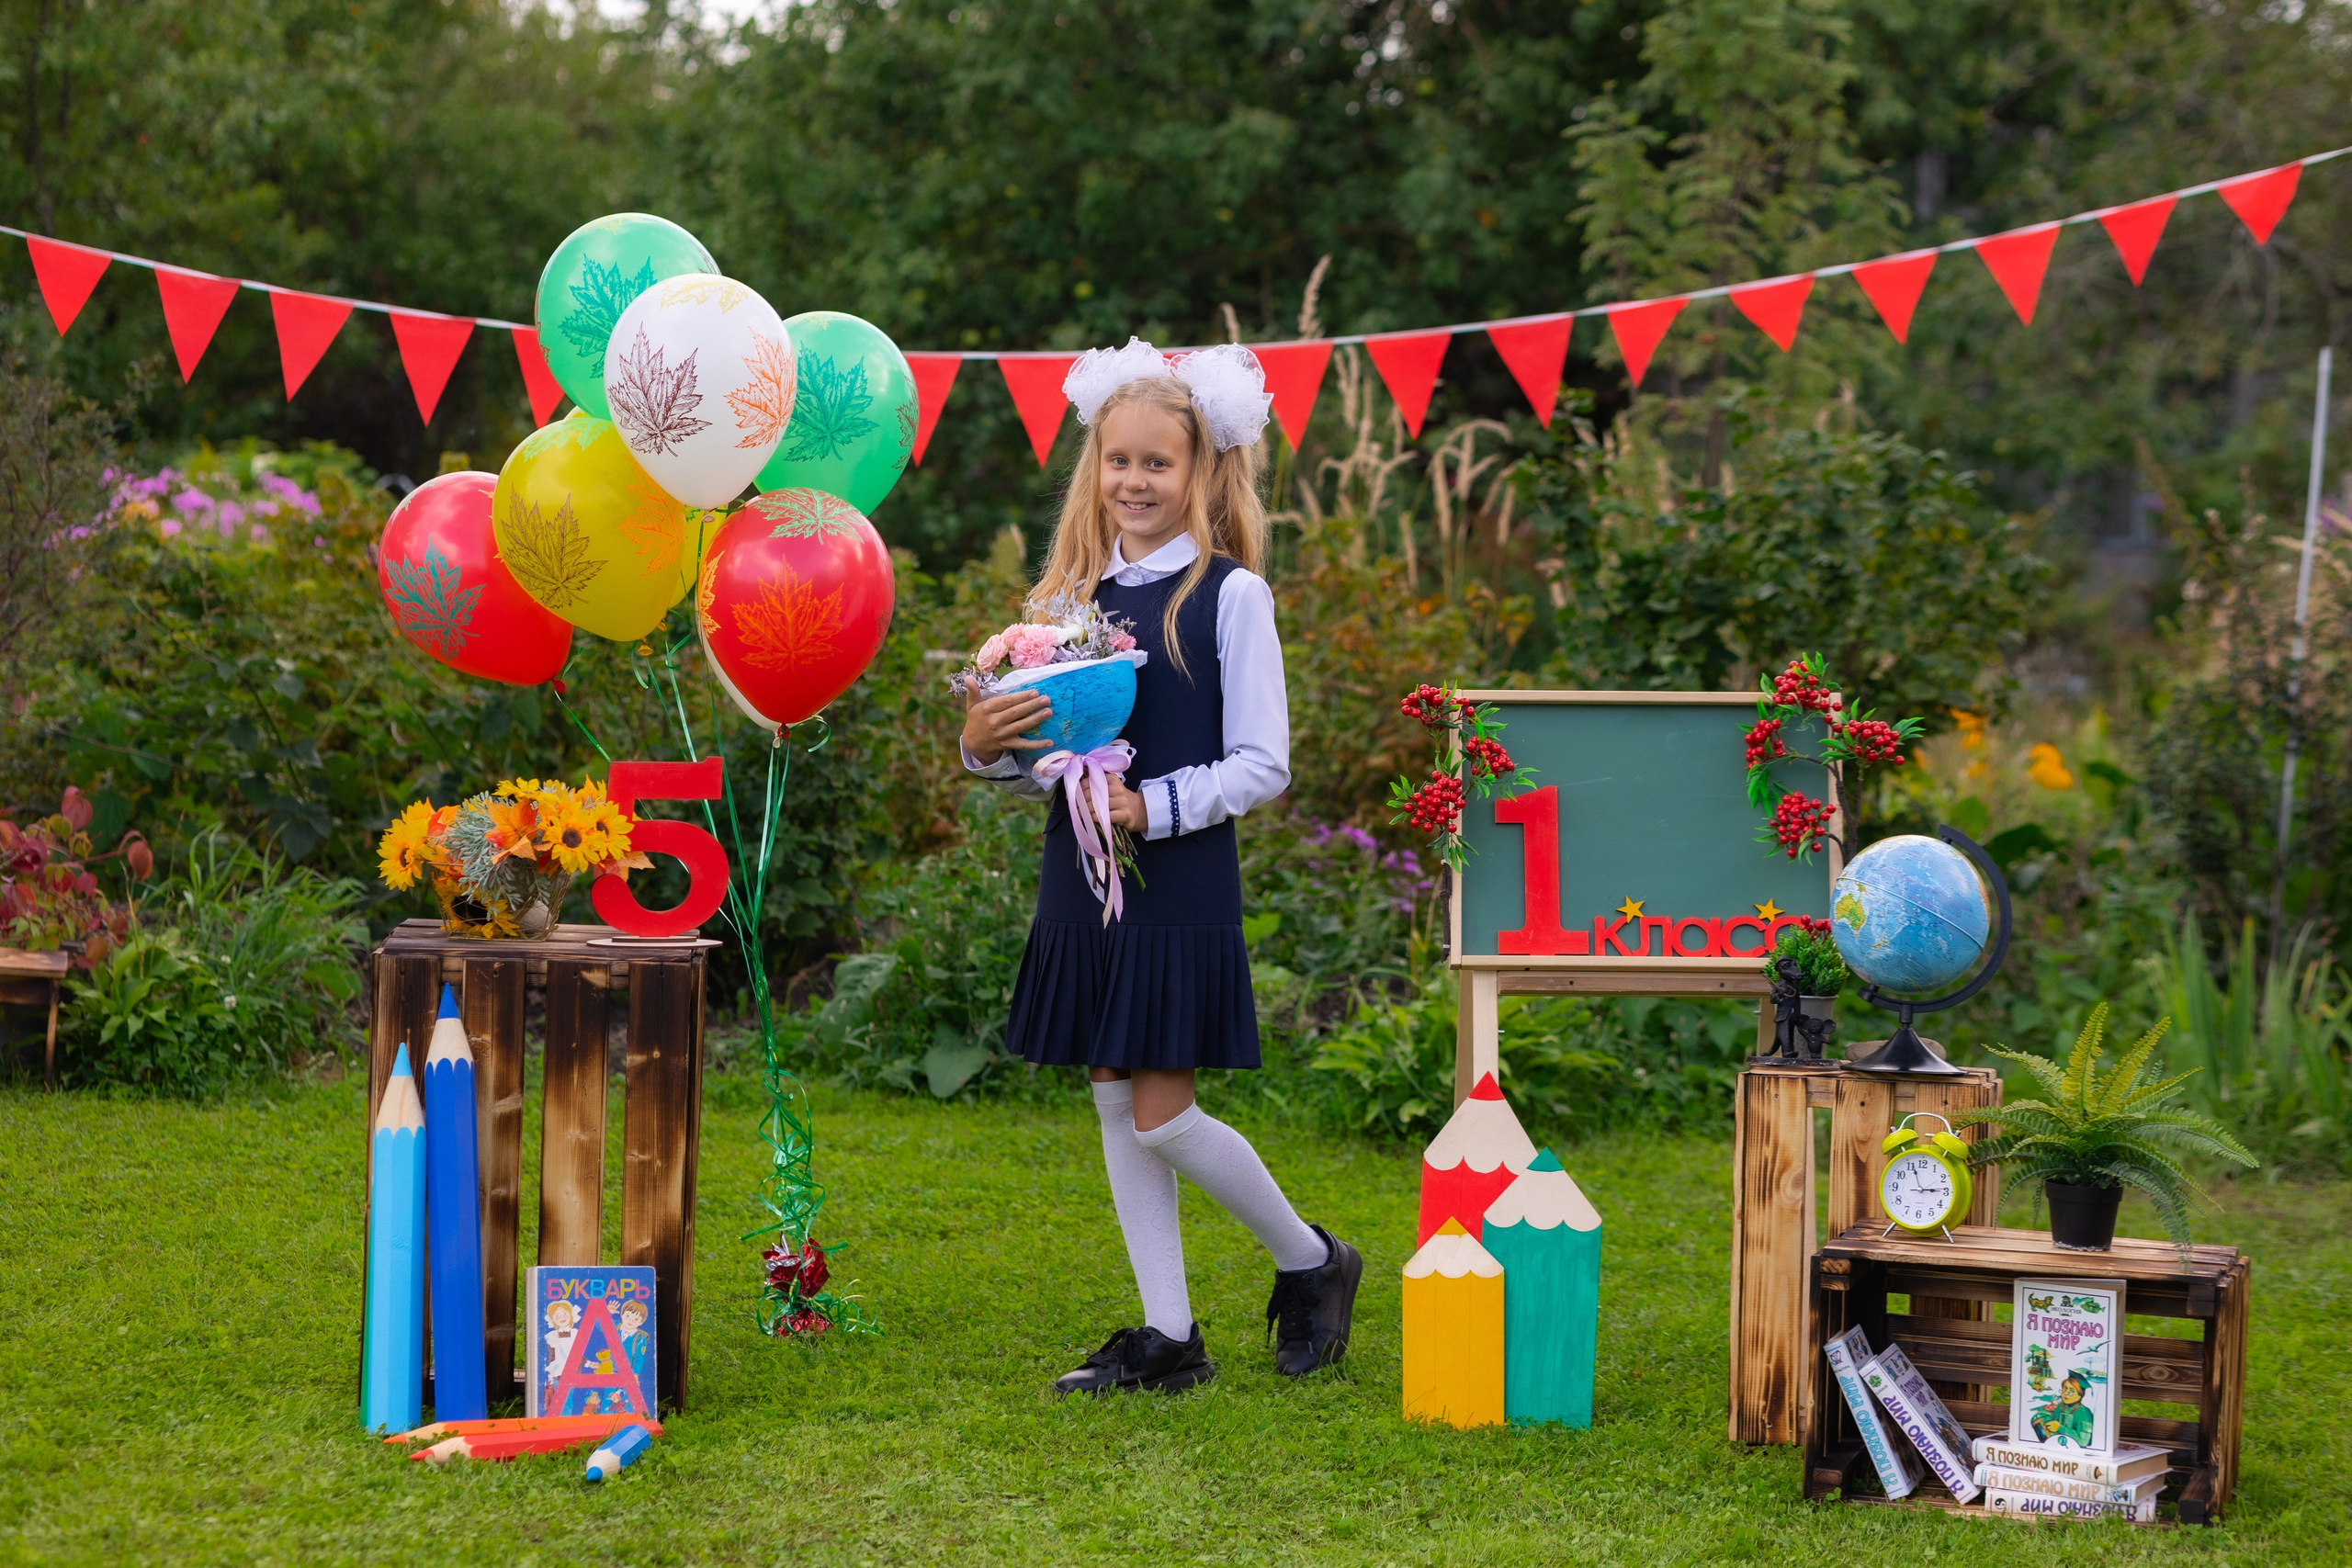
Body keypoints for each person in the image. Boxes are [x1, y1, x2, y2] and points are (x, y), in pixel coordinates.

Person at [960, 338, 1362, 1397]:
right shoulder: (1065, 602)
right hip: (1082, 874)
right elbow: (1047, 765)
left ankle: (1313, 1261)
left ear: (1203, 473)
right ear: (1092, 467)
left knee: (1164, 1114)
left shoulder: (1229, 597)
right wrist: (986, 745)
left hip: (1176, 881)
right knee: (1109, 1093)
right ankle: (1168, 1334)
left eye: (1157, 463)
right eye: (1116, 461)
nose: (1133, 481)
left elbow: (1263, 763)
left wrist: (1156, 805)